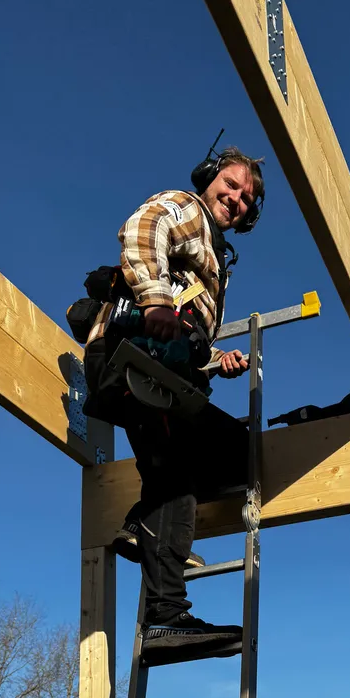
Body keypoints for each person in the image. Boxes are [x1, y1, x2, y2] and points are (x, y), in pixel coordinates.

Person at [82, 146, 265, 658]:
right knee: (176, 472)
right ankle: (165, 619)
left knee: (233, 452)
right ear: (208, 180)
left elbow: (183, 336)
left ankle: (146, 526)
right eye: (230, 185)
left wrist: (213, 360)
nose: (237, 198)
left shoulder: (213, 254)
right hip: (133, 357)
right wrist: (156, 299)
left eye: (247, 198)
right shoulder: (187, 209)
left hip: (161, 370)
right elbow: (143, 228)